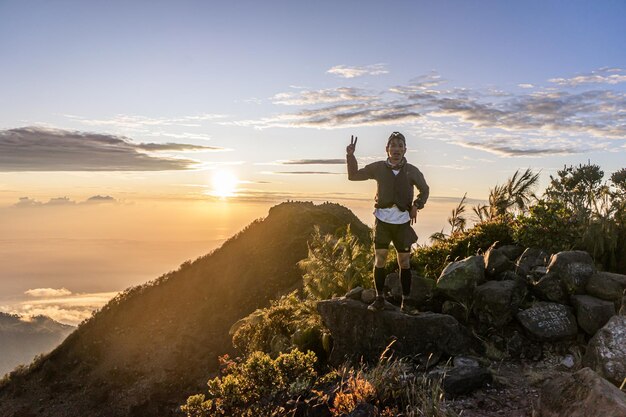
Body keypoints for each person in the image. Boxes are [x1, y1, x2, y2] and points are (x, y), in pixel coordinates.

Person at [346, 132, 429, 313]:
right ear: (387, 149)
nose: (396, 149)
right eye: (393, 145)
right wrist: (350, 156)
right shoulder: (378, 168)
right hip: (382, 220)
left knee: (404, 262)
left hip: (402, 222)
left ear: (405, 149)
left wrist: (417, 205)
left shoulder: (412, 170)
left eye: (400, 145)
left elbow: (425, 190)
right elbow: (353, 176)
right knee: (380, 259)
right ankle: (379, 299)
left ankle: (406, 303)